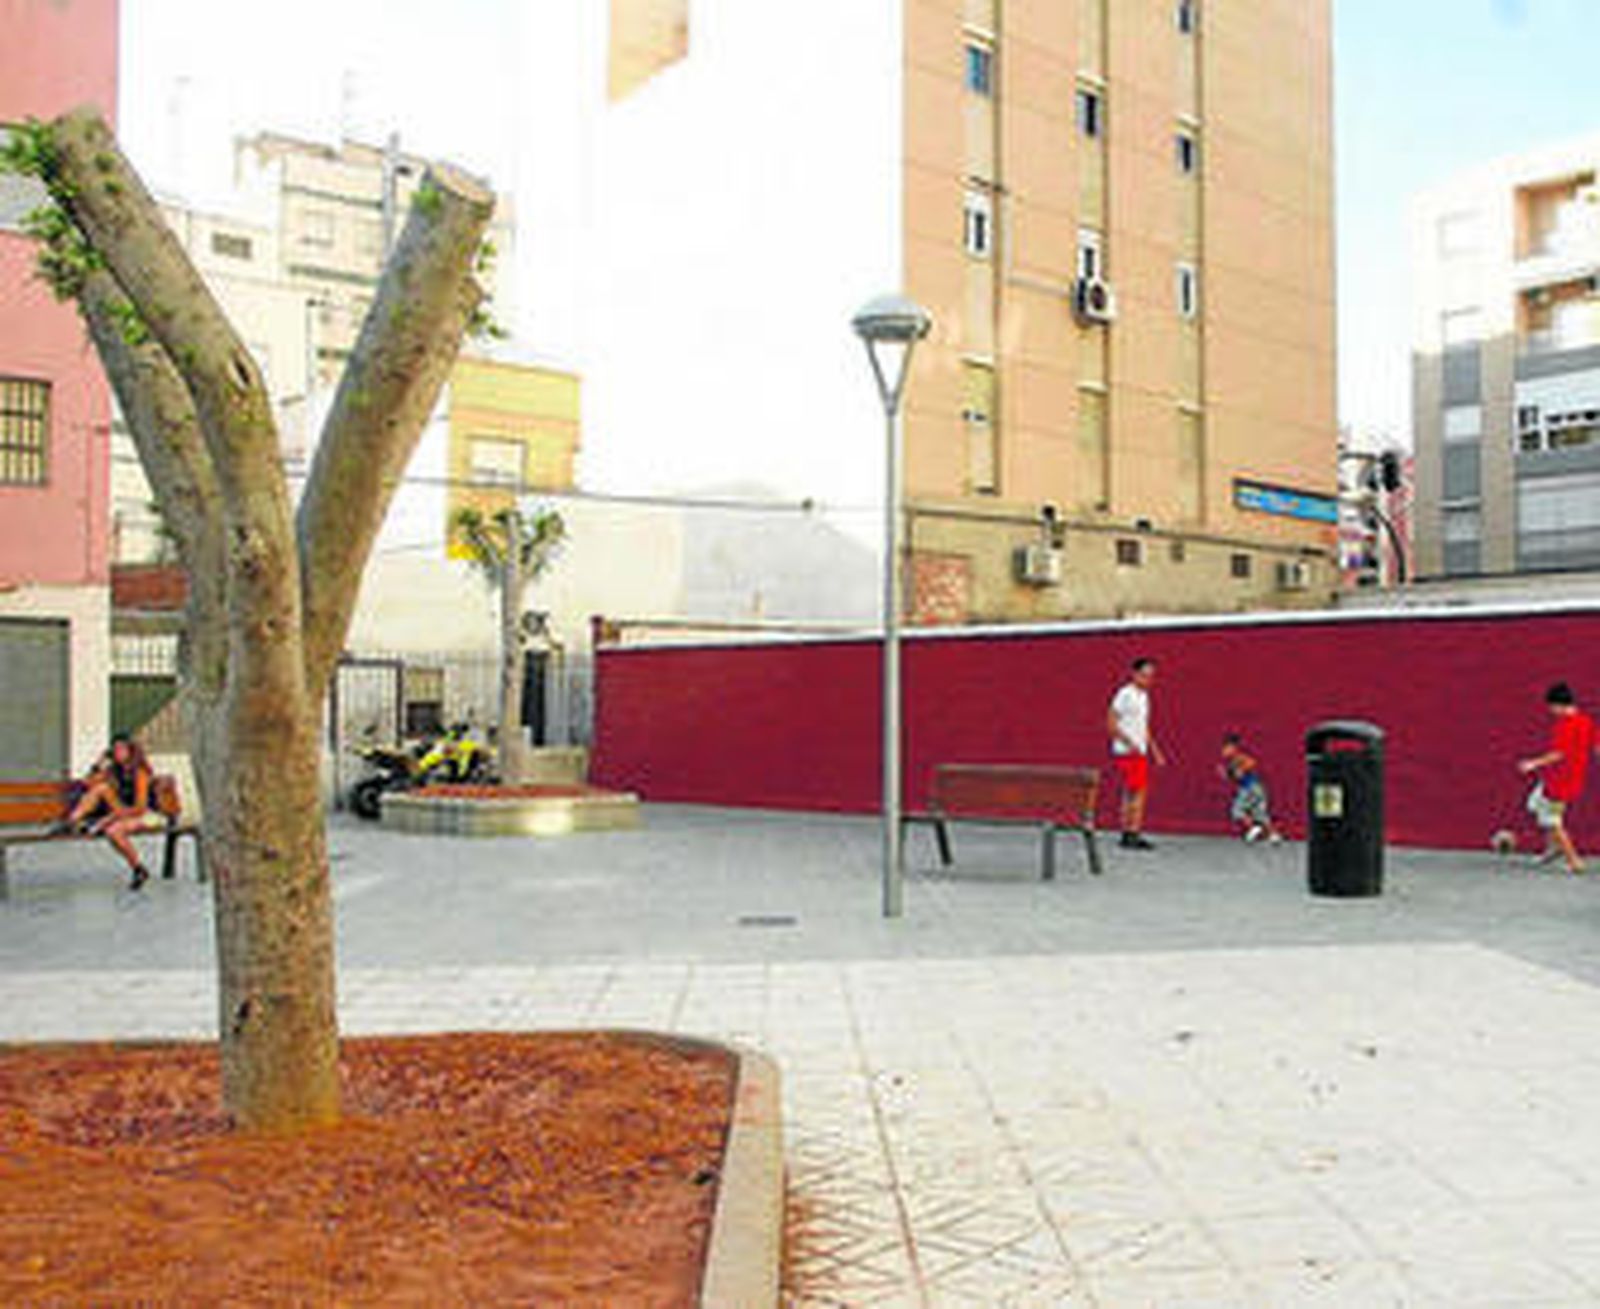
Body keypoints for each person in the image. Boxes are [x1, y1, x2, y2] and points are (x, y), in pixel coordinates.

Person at [54, 733, 156, 889]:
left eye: (121, 748)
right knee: (101, 789)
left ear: (131, 751)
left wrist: (110, 817)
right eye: (114, 749)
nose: (117, 752)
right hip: (122, 812)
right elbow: (87, 782)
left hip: (143, 815)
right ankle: (71, 822)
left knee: (113, 831)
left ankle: (138, 868)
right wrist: (99, 762)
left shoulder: (140, 773)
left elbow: (140, 807)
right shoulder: (114, 770)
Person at [1518, 681, 1597, 874]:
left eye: (1551, 707)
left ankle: (1575, 862)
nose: (1551, 711)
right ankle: (1552, 849)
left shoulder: (1564, 725)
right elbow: (1597, 747)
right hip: (1568, 779)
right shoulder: (1587, 721)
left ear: (1558, 705)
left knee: (1552, 820)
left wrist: (1532, 763)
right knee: (1534, 804)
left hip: (1559, 782)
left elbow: (1559, 754)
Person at [1107, 657, 1165, 850]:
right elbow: (1111, 722)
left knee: (1130, 792)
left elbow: (1144, 727)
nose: (1148, 679)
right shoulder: (1125, 694)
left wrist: (1155, 750)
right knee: (1138, 793)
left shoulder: (1144, 697)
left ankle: (1127, 833)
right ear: (1134, 674)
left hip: (1140, 752)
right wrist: (1129, 743)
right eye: (1144, 675)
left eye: (1151, 676)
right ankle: (1133, 834)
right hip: (1128, 752)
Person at [1219, 732, 1282, 844]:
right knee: (1260, 813)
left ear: (1233, 747)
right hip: (1257, 788)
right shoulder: (1233, 762)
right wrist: (1228, 774)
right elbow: (1237, 776)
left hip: (1249, 788)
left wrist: (1233, 772)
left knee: (1237, 811)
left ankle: (1253, 828)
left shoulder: (1239, 758)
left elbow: (1249, 766)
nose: (1224, 751)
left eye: (1226, 748)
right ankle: (1273, 835)